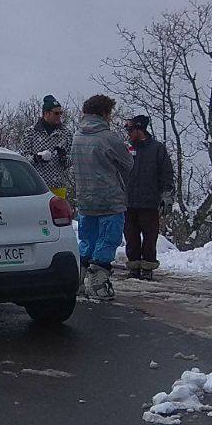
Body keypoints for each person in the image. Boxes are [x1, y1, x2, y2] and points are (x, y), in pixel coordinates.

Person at [70, 94, 133, 301]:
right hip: (109, 198)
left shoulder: (77, 136)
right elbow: (128, 163)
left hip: (85, 198)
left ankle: (78, 280)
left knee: (87, 239)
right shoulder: (108, 137)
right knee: (108, 239)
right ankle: (99, 283)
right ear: (104, 113)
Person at [123, 115, 173, 281]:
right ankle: (133, 266)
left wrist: (167, 195)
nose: (129, 133)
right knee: (131, 237)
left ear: (140, 129)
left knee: (150, 237)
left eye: (131, 130)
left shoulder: (157, 149)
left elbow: (166, 173)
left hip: (149, 201)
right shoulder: (126, 148)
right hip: (128, 201)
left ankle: (147, 267)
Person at [22, 95, 72, 198]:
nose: (59, 116)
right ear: (46, 113)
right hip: (36, 187)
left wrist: (63, 158)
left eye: (61, 113)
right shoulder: (31, 132)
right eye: (56, 113)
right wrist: (36, 158)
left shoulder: (66, 133)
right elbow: (23, 158)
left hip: (58, 186)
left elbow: (71, 160)